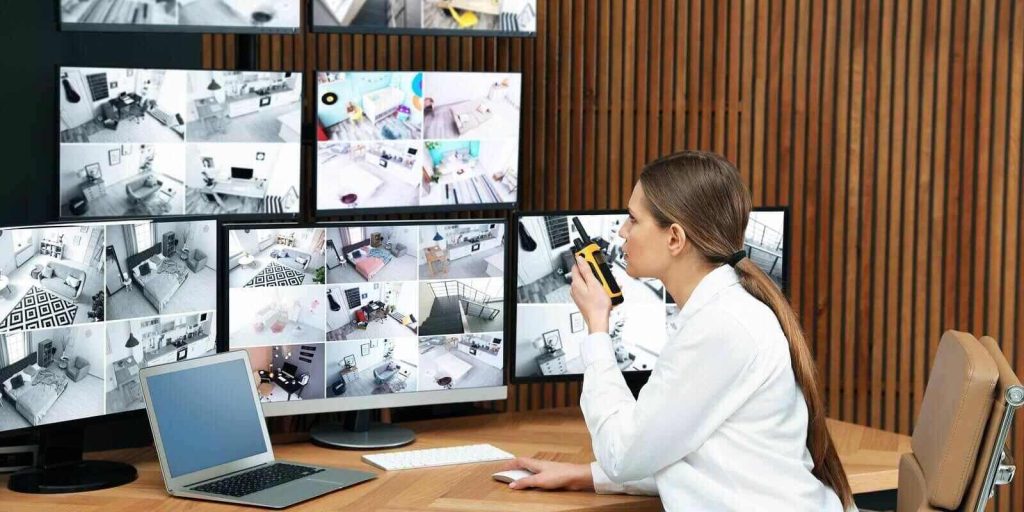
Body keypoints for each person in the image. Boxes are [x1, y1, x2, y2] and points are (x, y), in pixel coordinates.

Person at [502, 151, 854, 511]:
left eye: (632, 219)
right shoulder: (726, 312)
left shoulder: (719, 327)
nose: (622, 230)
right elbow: (695, 452)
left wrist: (597, 327)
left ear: (674, 239)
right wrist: (583, 476)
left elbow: (621, 453)